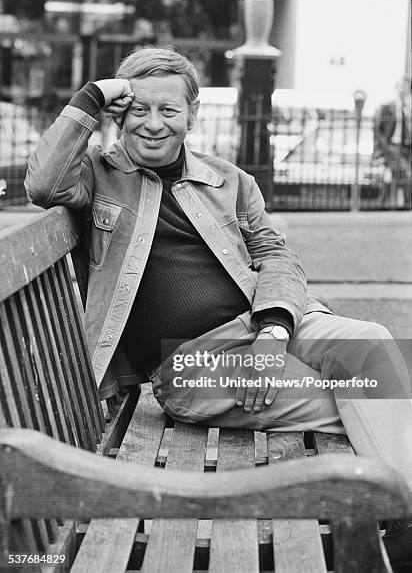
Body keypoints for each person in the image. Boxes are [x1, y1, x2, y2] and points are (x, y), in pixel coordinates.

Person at [25, 47, 412, 565]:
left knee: (371, 347)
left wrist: (272, 334)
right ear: (118, 114)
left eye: (170, 110)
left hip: (274, 323)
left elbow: (277, 257)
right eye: (140, 108)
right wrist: (91, 98)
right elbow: (42, 183)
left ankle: (403, 522)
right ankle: (401, 529)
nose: (155, 124)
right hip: (192, 365)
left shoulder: (229, 179)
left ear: (192, 116)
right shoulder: (96, 174)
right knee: (376, 397)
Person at [373, 75, 412, 208]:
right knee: (406, 173)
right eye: (402, 86)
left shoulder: (407, 108)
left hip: (406, 146)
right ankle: (406, 205)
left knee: (392, 179)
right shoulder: (388, 106)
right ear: (397, 88)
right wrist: (384, 148)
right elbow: (378, 130)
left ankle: (382, 205)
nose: (404, 90)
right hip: (392, 147)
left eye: (407, 87)